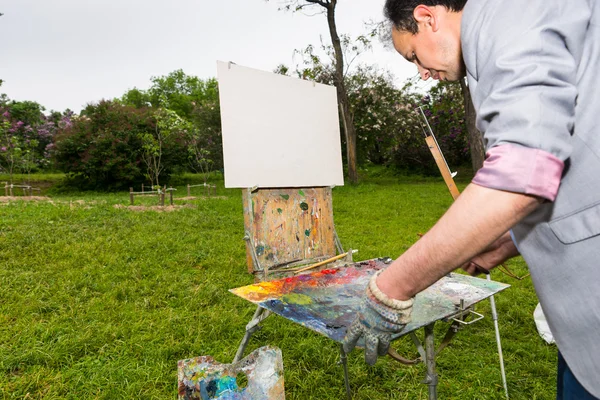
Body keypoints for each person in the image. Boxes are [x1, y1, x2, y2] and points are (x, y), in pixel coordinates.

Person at [342, 0, 600, 398]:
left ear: (427, 17)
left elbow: (522, 173)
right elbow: (576, 158)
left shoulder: (508, 14)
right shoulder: (499, 34)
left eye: (413, 55)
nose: (421, 72)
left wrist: (392, 288)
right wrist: (508, 242)